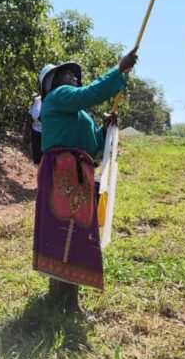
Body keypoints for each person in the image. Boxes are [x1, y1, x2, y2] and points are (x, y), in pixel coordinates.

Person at [33, 49, 138, 312]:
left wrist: (105, 129)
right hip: (61, 172)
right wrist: (118, 70)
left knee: (76, 234)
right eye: (65, 73)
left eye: (74, 74)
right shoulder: (57, 98)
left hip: (79, 173)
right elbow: (90, 93)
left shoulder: (81, 115)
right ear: (51, 83)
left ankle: (67, 296)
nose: (73, 77)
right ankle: (59, 296)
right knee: (62, 232)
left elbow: (92, 147)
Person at [24, 65, 56, 165]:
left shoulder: (58, 101)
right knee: (39, 162)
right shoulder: (37, 101)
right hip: (37, 134)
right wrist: (26, 134)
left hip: (51, 137)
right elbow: (29, 118)